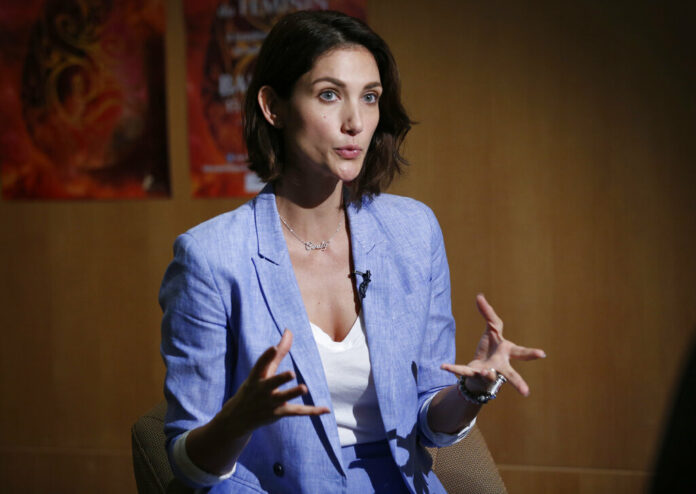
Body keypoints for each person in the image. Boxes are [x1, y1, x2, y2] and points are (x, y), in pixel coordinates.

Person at [160, 10, 545, 493]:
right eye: (328, 95)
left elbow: (429, 423)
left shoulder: (413, 231)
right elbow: (185, 464)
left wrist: (474, 389)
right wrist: (237, 421)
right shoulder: (210, 256)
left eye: (370, 98)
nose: (355, 122)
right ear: (273, 106)